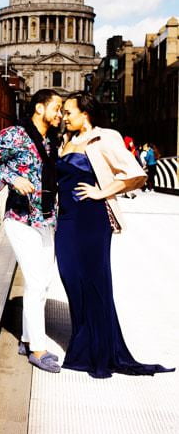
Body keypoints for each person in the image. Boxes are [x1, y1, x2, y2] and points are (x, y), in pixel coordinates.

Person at [56, 92, 174, 378]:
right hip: (66, 221)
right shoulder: (65, 141)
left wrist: (101, 192)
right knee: (71, 279)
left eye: (69, 112)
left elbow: (136, 174)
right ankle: (84, 344)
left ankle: (98, 353)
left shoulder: (105, 137)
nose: (64, 117)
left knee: (95, 283)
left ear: (86, 113)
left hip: (92, 220)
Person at [0, 89, 63, 373]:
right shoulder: (14, 135)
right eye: (56, 108)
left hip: (46, 219)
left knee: (43, 283)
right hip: (21, 218)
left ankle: (28, 338)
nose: (59, 114)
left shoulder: (51, 139)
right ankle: (38, 350)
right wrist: (13, 177)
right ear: (39, 108)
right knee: (37, 282)